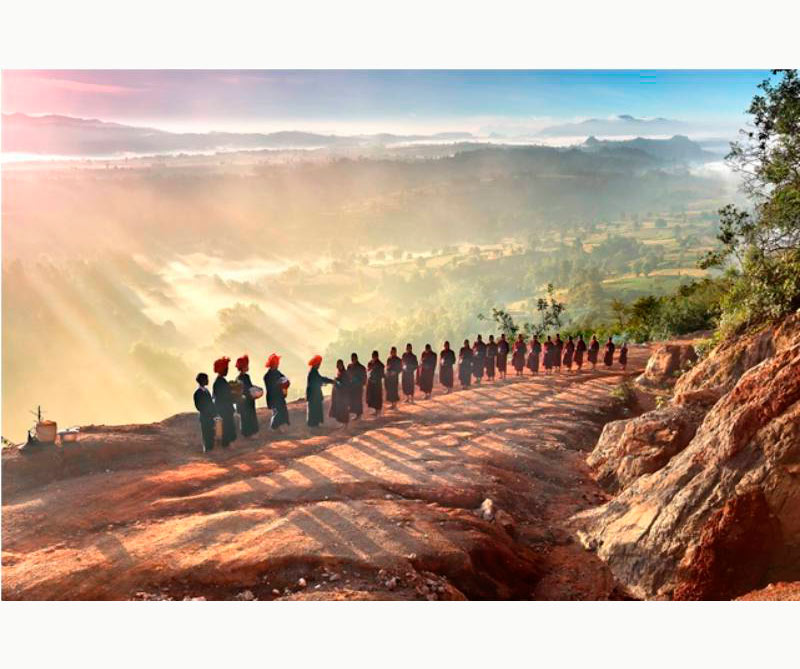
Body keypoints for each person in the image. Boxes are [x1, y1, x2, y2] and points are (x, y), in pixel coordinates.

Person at [212, 356, 236, 447]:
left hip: (223, 407)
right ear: (221, 369)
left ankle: (226, 443)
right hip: (224, 408)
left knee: (226, 425)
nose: (227, 371)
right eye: (226, 369)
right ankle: (226, 444)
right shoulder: (219, 382)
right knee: (226, 425)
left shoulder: (220, 381)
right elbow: (222, 396)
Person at [306, 355, 335, 427]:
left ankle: (314, 424)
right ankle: (313, 425)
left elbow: (320, 380)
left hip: (313, 394)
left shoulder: (313, 371)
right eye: (319, 364)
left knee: (315, 409)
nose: (319, 365)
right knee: (314, 409)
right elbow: (320, 380)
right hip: (314, 394)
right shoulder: (313, 372)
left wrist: (328, 381)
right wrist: (331, 381)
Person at [264, 353, 290, 431]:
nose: (278, 365)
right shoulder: (267, 376)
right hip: (273, 397)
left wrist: (286, 383)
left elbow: (284, 378)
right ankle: (273, 426)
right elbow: (270, 387)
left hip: (279, 396)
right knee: (277, 412)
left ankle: (277, 427)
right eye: (276, 363)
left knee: (282, 411)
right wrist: (278, 384)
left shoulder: (277, 373)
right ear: (272, 364)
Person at [236, 355, 259, 437]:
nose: (248, 367)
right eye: (246, 365)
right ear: (243, 367)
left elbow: (249, 387)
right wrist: (253, 393)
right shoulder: (240, 378)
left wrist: (254, 389)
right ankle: (248, 433)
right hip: (245, 401)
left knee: (249, 416)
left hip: (248, 400)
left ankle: (249, 433)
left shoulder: (245, 376)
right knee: (246, 417)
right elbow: (244, 390)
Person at [193, 372, 217, 453]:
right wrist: (208, 411)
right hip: (205, 417)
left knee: (211, 433)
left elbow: (210, 403)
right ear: (202, 380)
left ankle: (211, 450)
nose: (208, 381)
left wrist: (214, 414)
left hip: (210, 416)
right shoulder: (197, 393)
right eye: (206, 379)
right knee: (206, 434)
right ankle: (207, 451)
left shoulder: (206, 391)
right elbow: (199, 406)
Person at [329, 359, 350, 425]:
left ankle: (345, 424)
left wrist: (337, 381)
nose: (339, 367)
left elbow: (345, 383)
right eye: (338, 365)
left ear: (342, 365)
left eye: (340, 365)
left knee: (344, 409)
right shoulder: (340, 372)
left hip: (343, 394)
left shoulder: (345, 373)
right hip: (339, 394)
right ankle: (343, 424)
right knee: (340, 409)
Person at [347, 353, 367, 418]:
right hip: (351, 387)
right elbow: (347, 375)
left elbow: (364, 378)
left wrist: (358, 381)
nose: (353, 360)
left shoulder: (361, 367)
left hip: (358, 387)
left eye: (354, 358)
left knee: (358, 400)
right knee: (352, 399)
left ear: (356, 358)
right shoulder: (349, 366)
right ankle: (355, 413)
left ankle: (359, 415)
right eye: (352, 358)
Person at [366, 350, 385, 415]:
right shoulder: (370, 363)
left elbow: (382, 375)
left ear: (377, 356)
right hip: (371, 383)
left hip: (377, 383)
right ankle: (375, 411)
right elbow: (368, 370)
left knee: (377, 397)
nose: (374, 358)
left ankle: (378, 411)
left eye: (375, 356)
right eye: (373, 356)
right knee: (372, 397)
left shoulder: (380, 365)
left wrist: (377, 377)